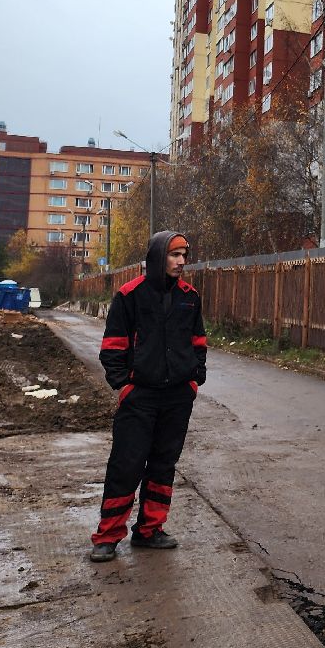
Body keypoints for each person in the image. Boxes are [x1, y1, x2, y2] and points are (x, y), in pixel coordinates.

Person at [89, 231, 206, 561]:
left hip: (177, 398)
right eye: (175, 255)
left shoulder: (189, 296)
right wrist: (125, 386)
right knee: (126, 465)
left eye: (185, 255)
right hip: (140, 397)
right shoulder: (130, 295)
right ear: (158, 257)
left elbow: (198, 342)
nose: (181, 262)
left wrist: (194, 382)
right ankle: (108, 536)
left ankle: (149, 530)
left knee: (163, 464)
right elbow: (112, 347)